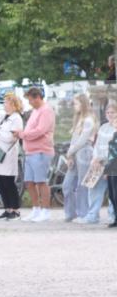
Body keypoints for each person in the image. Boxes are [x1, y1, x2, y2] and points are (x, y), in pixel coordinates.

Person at [17, 86, 56, 223]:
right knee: (29, 182)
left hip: (41, 150)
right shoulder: (35, 110)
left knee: (41, 181)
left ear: (38, 97)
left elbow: (40, 130)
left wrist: (23, 134)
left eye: (31, 100)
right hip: (30, 151)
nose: (29, 103)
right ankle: (36, 209)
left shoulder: (46, 111)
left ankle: (45, 211)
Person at [0, 93, 24, 221]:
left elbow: (10, 137)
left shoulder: (16, 118)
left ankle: (15, 210)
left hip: (7, 155)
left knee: (8, 183)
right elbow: (0, 130)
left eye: (6, 102)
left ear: (13, 104)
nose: (4, 105)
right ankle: (7, 209)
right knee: (0, 182)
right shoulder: (3, 117)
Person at [63, 93, 97, 223]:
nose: (74, 106)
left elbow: (83, 140)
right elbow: (74, 139)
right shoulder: (78, 120)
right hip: (75, 152)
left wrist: (71, 151)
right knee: (67, 184)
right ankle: (71, 213)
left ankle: (83, 213)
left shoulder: (89, 119)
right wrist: (70, 155)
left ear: (83, 104)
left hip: (84, 152)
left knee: (82, 184)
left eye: (76, 103)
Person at [86, 101, 117, 226]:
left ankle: (113, 215)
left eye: (113, 112)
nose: (110, 114)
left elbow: (113, 148)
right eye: (108, 112)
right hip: (101, 162)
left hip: (112, 163)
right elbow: (98, 144)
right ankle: (93, 215)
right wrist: (95, 158)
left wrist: (103, 160)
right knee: (106, 190)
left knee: (114, 192)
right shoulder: (103, 127)